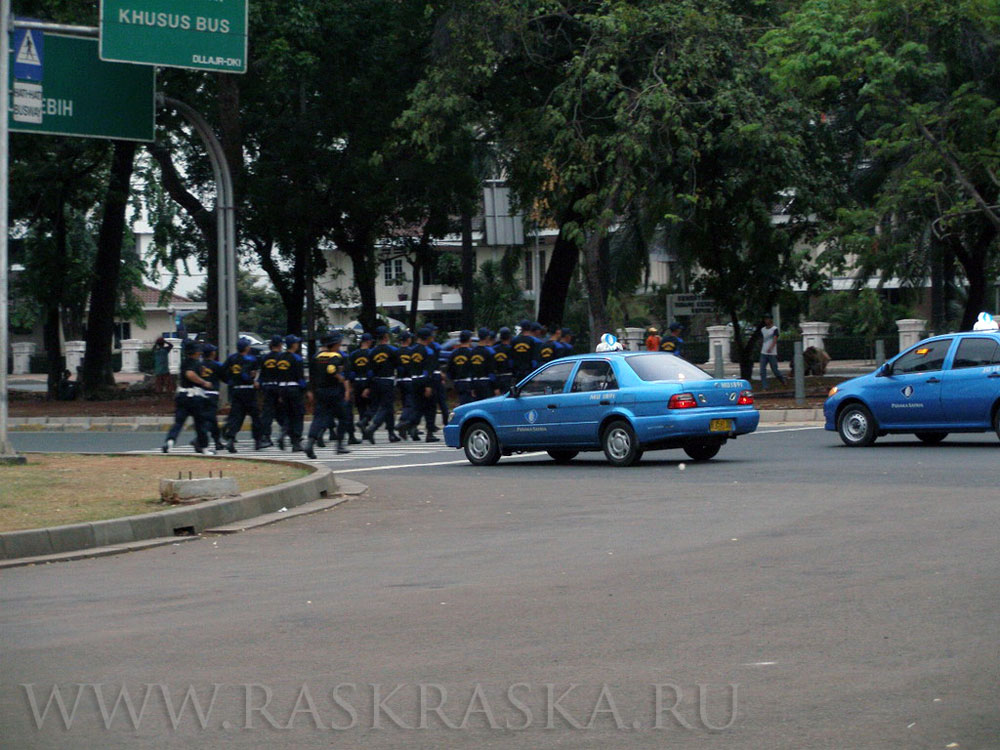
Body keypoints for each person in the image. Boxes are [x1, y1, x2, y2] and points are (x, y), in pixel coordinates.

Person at [304, 333, 352, 458]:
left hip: (320, 391)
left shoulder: (316, 357)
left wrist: (311, 391)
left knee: (319, 417)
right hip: (335, 391)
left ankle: (310, 442)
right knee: (343, 417)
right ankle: (340, 445)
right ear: (335, 344)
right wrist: (344, 385)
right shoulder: (339, 356)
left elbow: (312, 376)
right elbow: (333, 370)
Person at [162, 341, 213, 453]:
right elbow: (190, 374)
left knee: (179, 422)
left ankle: (170, 442)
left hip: (182, 395)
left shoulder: (184, 362)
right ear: (194, 352)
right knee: (200, 424)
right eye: (198, 350)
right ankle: (204, 447)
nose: (199, 353)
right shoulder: (194, 363)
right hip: (194, 396)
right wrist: (203, 382)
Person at [221, 337, 264, 452]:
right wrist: (252, 381)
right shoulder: (250, 359)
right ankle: (258, 441)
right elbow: (246, 374)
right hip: (248, 391)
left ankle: (231, 438)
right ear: (246, 347)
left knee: (237, 416)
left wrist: (229, 381)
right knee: (255, 416)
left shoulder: (231, 358)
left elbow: (222, 371)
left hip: (236, 390)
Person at [362, 326, 401, 443]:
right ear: (386, 336)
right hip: (388, 380)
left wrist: (368, 386)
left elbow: (369, 371)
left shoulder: (372, 352)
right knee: (386, 406)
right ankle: (372, 427)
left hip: (376, 381)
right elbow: (399, 365)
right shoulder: (392, 350)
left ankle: (391, 433)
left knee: (388, 408)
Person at [257, 335, 285, 448]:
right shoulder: (282, 357)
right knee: (282, 412)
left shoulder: (265, 358)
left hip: (267, 388)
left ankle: (266, 436)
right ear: (280, 345)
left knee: (268, 413)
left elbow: (262, 374)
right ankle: (288, 433)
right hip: (279, 387)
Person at [280, 335, 306, 451]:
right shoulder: (297, 358)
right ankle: (296, 442)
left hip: (282, 388)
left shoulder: (280, 358)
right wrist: (305, 389)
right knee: (297, 415)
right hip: (294, 388)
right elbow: (300, 377)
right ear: (294, 344)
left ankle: (283, 433)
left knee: (287, 414)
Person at [198, 343, 226, 451]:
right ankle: (200, 439)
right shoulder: (217, 365)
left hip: (200, 394)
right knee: (210, 419)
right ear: (212, 353)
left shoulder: (198, 365)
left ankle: (217, 442)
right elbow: (225, 378)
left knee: (211, 419)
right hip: (212, 394)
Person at [414, 327, 441, 442]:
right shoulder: (428, 350)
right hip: (425, 382)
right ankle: (429, 433)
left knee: (418, 406)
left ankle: (410, 426)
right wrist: (428, 385)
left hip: (413, 380)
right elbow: (428, 370)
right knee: (430, 407)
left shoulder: (412, 350)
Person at [394, 330, 421, 439]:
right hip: (409, 380)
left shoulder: (396, 352)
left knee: (405, 402)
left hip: (399, 380)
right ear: (408, 339)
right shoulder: (412, 352)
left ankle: (406, 430)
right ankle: (402, 422)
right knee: (410, 404)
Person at [348, 333, 374, 438]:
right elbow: (372, 370)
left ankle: (364, 430)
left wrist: (351, 384)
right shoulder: (371, 353)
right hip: (367, 382)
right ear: (368, 341)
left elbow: (351, 371)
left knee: (361, 407)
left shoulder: (353, 354)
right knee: (372, 406)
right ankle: (364, 423)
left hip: (357, 382)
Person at [446, 329, 475, 405]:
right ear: (470, 340)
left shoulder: (454, 353)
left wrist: (453, 380)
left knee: (462, 402)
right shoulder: (472, 352)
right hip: (469, 383)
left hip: (458, 383)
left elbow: (449, 370)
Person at [469, 327, 498, 400]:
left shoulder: (472, 351)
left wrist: (472, 387)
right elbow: (492, 370)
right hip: (486, 383)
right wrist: (496, 387)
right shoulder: (490, 351)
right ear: (487, 337)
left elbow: (471, 370)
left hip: (475, 382)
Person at [759, 315, 785, 388]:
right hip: (763, 352)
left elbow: (775, 339)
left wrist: (771, 348)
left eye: (768, 319)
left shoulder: (774, 329)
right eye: (765, 319)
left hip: (772, 353)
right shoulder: (763, 330)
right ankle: (765, 386)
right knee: (762, 370)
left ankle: (782, 380)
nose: (766, 321)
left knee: (775, 370)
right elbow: (762, 339)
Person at [493, 327, 514, 394]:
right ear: (509, 337)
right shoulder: (511, 349)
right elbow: (512, 363)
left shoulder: (494, 349)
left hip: (497, 377)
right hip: (508, 377)